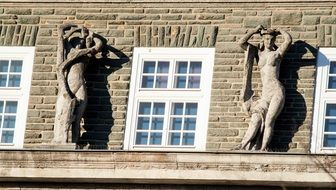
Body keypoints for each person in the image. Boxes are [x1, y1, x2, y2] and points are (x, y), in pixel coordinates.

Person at [237, 25, 292, 151]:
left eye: (272, 40)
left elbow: (288, 40)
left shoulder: (277, 54)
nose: (269, 42)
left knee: (269, 121)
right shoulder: (258, 53)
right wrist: (254, 30)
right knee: (256, 119)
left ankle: (263, 148)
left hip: (277, 91)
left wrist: (280, 30)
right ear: (263, 40)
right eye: (267, 39)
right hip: (265, 95)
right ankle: (243, 145)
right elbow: (241, 43)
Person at [54, 24, 103, 144]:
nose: (79, 45)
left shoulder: (85, 56)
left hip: (81, 84)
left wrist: (90, 39)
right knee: (64, 113)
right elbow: (61, 65)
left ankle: (76, 140)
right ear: (72, 45)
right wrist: (69, 34)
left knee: (78, 117)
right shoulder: (70, 55)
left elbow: (98, 45)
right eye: (77, 43)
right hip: (69, 86)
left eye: (81, 43)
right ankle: (62, 139)